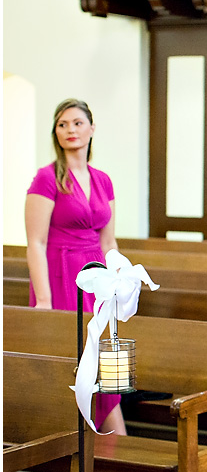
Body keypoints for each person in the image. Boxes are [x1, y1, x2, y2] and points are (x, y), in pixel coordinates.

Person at [25, 98, 126, 435]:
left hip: (96, 278)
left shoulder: (104, 180)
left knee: (107, 363)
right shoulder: (46, 177)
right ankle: (78, 447)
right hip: (61, 275)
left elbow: (108, 242)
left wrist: (119, 283)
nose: (70, 130)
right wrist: (43, 301)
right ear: (56, 133)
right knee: (75, 365)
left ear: (92, 128)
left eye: (77, 123)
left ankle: (116, 449)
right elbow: (36, 243)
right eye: (62, 124)